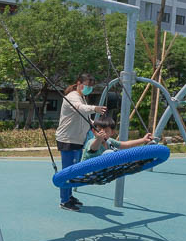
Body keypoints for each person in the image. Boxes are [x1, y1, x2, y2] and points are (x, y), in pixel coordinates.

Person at [55, 73, 106, 211]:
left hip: (77, 140)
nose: (89, 88)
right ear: (79, 83)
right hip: (67, 139)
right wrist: (94, 108)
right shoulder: (72, 97)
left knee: (74, 170)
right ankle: (64, 200)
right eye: (87, 85)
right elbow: (79, 108)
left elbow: (85, 117)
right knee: (68, 171)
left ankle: (69, 195)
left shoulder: (82, 97)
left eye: (91, 86)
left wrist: (95, 125)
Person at [82, 114, 153, 161]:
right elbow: (94, 148)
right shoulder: (92, 141)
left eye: (106, 131)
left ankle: (138, 158)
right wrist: (99, 139)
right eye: (99, 131)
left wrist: (143, 140)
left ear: (112, 132)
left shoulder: (109, 141)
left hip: (104, 170)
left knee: (120, 152)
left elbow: (126, 145)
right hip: (89, 172)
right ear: (94, 131)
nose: (102, 133)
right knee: (109, 153)